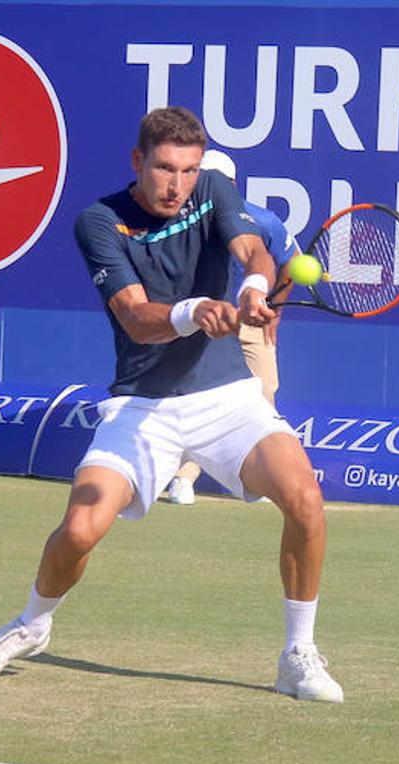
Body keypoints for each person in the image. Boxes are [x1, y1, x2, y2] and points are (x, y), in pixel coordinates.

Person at [0, 107, 342, 702]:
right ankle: (30, 626)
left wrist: (254, 288)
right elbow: (136, 320)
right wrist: (193, 312)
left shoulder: (212, 190)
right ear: (139, 161)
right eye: (164, 168)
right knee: (80, 528)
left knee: (306, 499)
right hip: (143, 408)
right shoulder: (100, 222)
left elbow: (254, 251)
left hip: (228, 398)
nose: (176, 185)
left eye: (187, 170)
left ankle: (297, 655)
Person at [165, 149, 299, 506]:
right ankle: (182, 478)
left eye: (217, 181)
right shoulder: (180, 222)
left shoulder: (263, 220)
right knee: (200, 400)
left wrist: (276, 312)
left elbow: (289, 265)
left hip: (253, 319)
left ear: (233, 185)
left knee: (264, 391)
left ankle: (263, 476)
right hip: (206, 321)